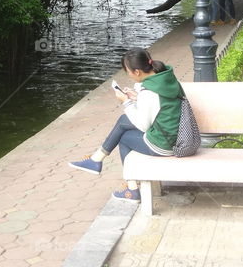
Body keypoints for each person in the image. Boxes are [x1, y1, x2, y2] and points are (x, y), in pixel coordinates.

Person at [68, 48, 184, 202]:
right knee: (124, 123)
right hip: (176, 136)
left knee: (123, 138)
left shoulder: (150, 92)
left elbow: (144, 125)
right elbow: (160, 106)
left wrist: (126, 102)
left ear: (137, 72)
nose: (128, 75)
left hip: (165, 144)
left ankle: (131, 189)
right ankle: (97, 160)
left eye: (127, 71)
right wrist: (137, 98)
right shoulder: (164, 79)